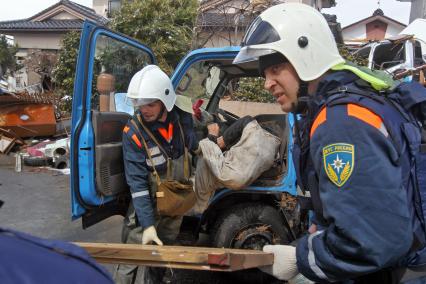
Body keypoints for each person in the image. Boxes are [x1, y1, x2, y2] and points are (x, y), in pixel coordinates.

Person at [233, 3, 426, 283]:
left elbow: (370, 241)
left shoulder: (341, 123)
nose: (267, 83)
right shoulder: (339, 106)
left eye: (276, 68)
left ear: (307, 57)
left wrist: (300, 258)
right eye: (265, 74)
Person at [113, 65, 198, 284]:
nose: (145, 109)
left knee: (162, 255)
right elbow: (137, 184)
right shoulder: (132, 133)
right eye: (140, 104)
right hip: (147, 204)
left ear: (165, 102)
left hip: (174, 203)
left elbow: (193, 146)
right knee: (131, 259)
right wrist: (148, 224)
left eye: (151, 103)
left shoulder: (182, 120)